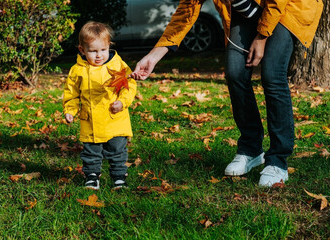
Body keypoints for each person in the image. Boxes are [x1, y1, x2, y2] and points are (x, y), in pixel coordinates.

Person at [130, 0, 323, 187]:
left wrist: (262, 37)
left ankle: (278, 161)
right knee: (234, 72)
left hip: (286, 8)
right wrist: (153, 56)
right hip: (246, 12)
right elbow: (186, 10)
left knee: (272, 75)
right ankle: (251, 149)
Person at [63, 21, 137, 190]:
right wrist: (70, 110)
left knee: (117, 150)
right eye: (93, 51)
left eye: (103, 50)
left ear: (109, 46)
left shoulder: (118, 66)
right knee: (91, 151)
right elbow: (72, 93)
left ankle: (119, 177)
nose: (99, 55)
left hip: (115, 118)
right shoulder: (77, 70)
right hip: (90, 119)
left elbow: (129, 86)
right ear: (82, 50)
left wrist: (122, 102)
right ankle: (91, 176)